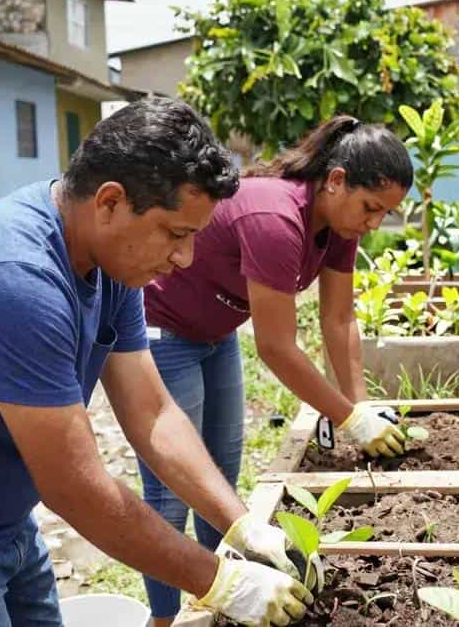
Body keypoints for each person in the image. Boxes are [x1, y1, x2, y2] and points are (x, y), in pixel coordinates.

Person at [0, 98, 317, 627]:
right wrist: (218, 581)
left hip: (4, 524)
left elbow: (153, 413)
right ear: (110, 201)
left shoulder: (110, 261)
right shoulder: (14, 276)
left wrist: (241, 524)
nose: (186, 259)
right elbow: (74, 486)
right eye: (177, 234)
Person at [139, 115, 412, 624]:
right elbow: (278, 348)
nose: (375, 222)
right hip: (164, 331)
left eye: (386, 213)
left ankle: (217, 594)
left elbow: (339, 317)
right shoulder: (275, 217)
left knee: (219, 477)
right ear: (335, 181)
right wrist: (349, 420)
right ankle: (164, 616)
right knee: (173, 489)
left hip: (215, 335)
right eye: (371, 207)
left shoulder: (337, 225)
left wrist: (361, 404)